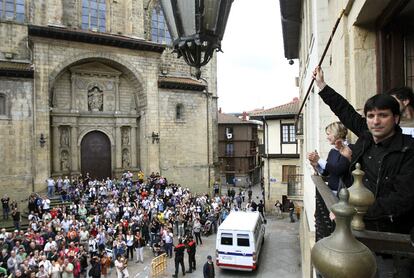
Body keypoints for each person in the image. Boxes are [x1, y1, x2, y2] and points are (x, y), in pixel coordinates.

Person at [314, 66, 414, 276]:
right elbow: (345, 111)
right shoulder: (366, 137)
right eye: (371, 116)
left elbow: (403, 199)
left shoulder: (408, 150)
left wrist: (355, 210)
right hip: (357, 233)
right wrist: (322, 87)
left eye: (383, 115)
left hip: (390, 241)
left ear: (396, 118)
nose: (375, 121)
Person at [307, 122, 352, 195]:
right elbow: (327, 172)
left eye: (328, 134)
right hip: (332, 193)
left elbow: (338, 171)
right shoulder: (333, 151)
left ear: (337, 133)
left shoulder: (350, 149)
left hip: (344, 195)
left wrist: (319, 159)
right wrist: (316, 165)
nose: (327, 137)